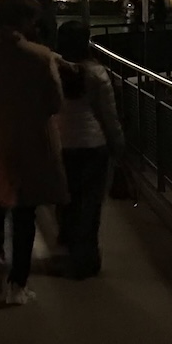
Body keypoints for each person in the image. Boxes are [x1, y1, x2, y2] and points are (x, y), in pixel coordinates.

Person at [0, 0, 68, 307]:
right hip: (32, 139)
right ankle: (17, 285)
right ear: (25, 22)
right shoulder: (40, 56)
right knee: (25, 213)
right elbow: (55, 102)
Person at [55, 20, 124, 278]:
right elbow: (108, 113)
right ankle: (87, 257)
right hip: (93, 144)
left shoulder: (53, 69)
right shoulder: (96, 73)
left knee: (66, 201)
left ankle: (69, 250)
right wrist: (118, 143)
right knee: (90, 203)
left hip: (61, 142)